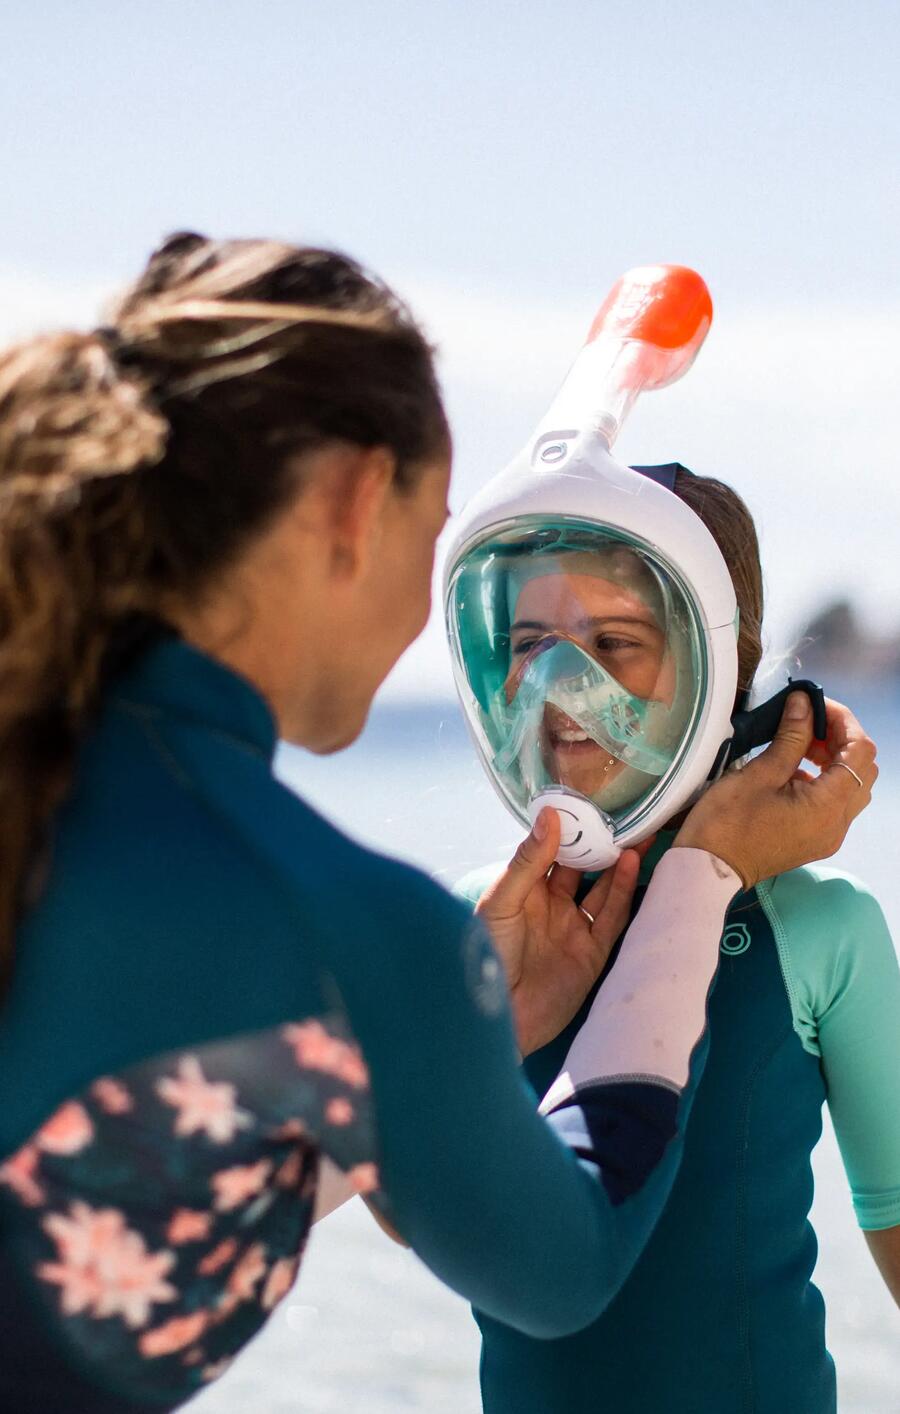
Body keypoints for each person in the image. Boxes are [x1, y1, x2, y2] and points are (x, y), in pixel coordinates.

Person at [0, 236, 875, 1414]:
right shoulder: (356, 930)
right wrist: (702, 870)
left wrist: (465, 1044)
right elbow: (561, 1262)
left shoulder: (48, 810)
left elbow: (114, 1209)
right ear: (362, 502)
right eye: (442, 529)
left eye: (613, 644)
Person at [454, 465, 899, 1414]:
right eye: (531, 644)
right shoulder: (484, 928)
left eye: (613, 643)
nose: (560, 689)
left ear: (720, 668)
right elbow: (412, 1215)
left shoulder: (819, 925)